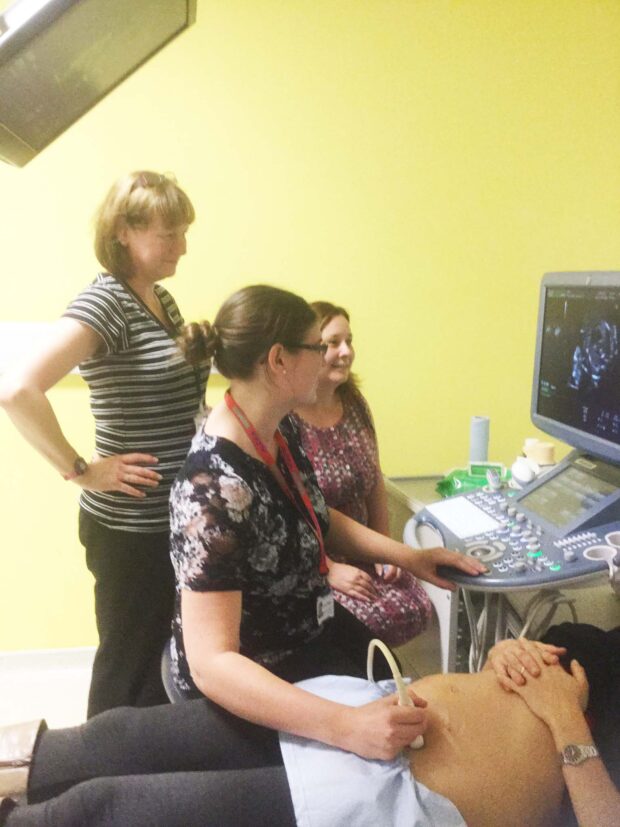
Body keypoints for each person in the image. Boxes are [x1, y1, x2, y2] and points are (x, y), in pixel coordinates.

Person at [0, 639, 617, 826]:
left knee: (103, 809)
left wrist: (563, 715)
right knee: (118, 736)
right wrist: (505, 661)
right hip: (365, 717)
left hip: (386, 803)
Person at [0, 171, 209, 717]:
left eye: (184, 232)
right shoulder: (106, 302)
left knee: (164, 657)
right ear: (124, 232)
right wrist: (81, 469)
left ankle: (142, 771)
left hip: (170, 514)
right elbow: (18, 391)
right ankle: (94, 781)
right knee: (127, 661)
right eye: (169, 235)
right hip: (128, 525)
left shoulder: (158, 297)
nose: (182, 247)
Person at [292, 301, 432, 645]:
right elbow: (289, 515)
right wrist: (326, 569)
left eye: (349, 341)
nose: (346, 352)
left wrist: (384, 549)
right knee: (363, 625)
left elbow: (374, 480)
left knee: (417, 607)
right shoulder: (285, 420)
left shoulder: (355, 404)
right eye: (333, 342)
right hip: (312, 564)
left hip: (363, 549)